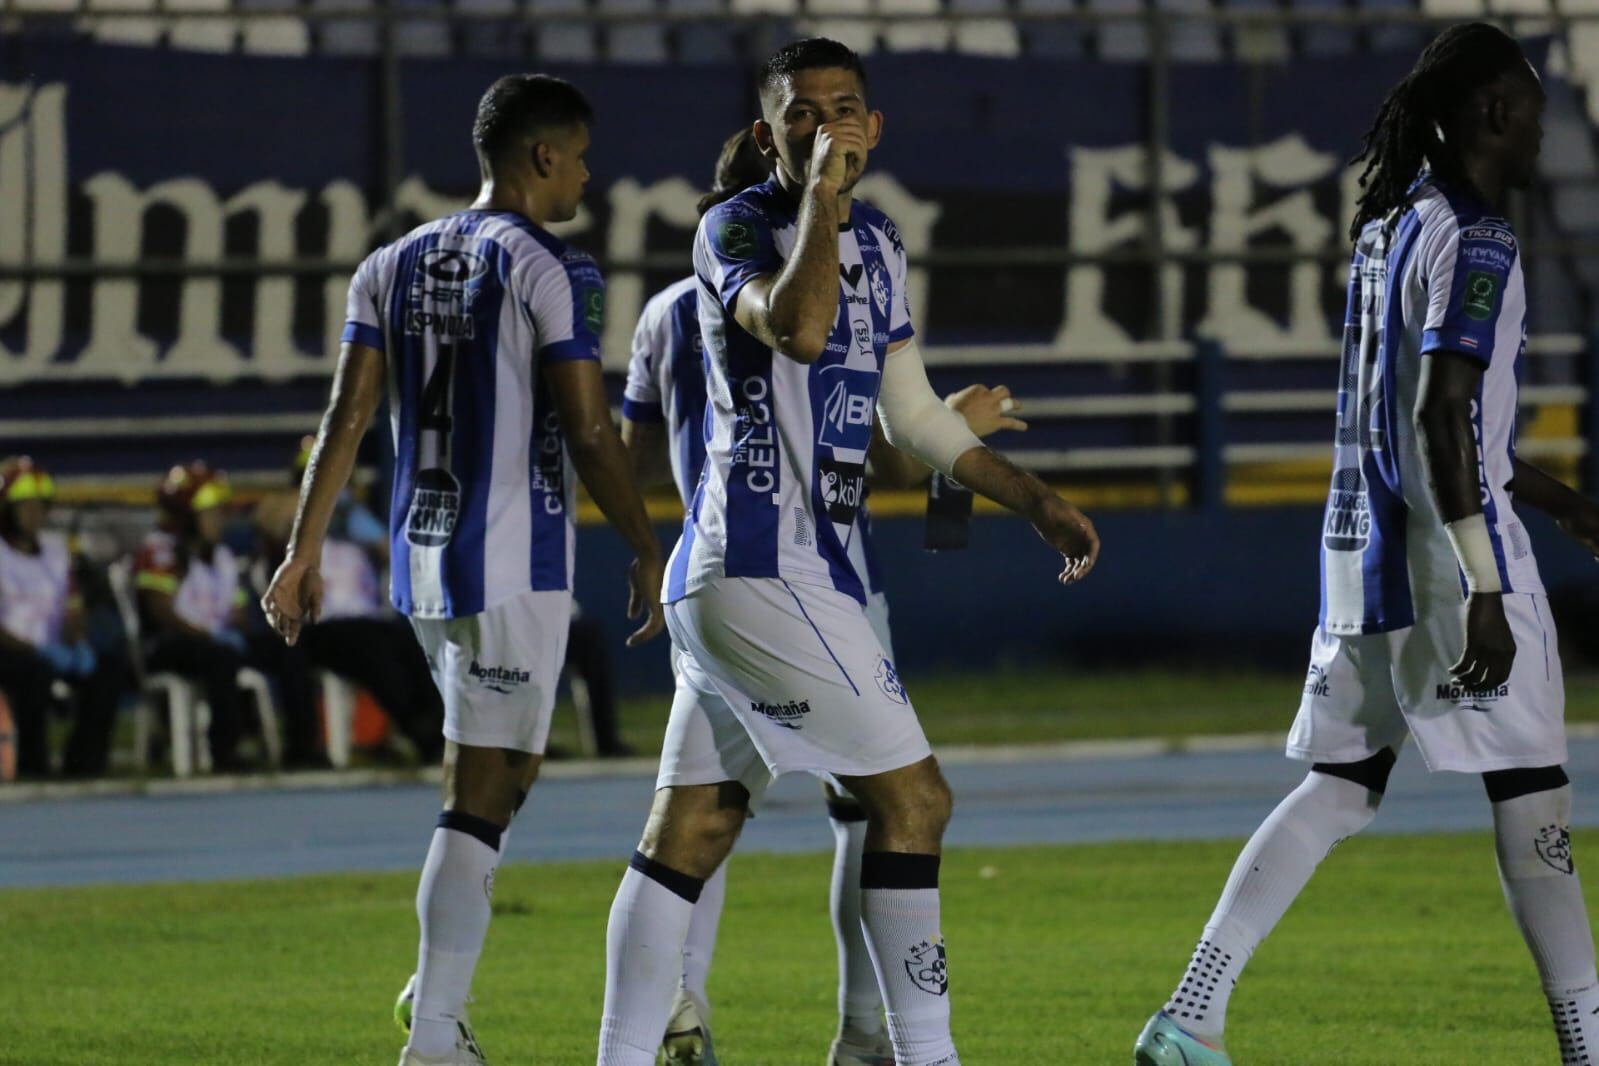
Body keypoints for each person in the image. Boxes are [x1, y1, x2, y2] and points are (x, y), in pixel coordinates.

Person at [597, 38, 1097, 1066]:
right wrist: (819, 199)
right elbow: (801, 329)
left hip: (784, 569)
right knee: (913, 799)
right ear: (767, 130)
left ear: (876, 125)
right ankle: (917, 1053)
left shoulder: (881, 242)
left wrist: (1031, 497)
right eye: (804, 112)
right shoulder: (734, 227)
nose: (829, 126)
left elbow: (909, 411)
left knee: (691, 831)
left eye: (847, 108)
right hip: (755, 564)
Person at [1133, 24, 1599, 1066]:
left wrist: (1557, 496)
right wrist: (1485, 580)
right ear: (1492, 116)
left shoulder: (1391, 226)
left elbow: (1435, 420)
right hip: (1450, 562)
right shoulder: (1477, 238)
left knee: (1341, 787)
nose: (1539, 135)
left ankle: (1191, 1013)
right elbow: (1443, 419)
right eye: (1530, 113)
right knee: (1534, 797)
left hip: (1361, 555)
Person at [259, 74, 665, 1066]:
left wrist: (302, 551)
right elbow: (588, 426)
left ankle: (436, 997)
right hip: (511, 561)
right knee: (479, 791)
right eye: (576, 156)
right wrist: (649, 545)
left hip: (425, 560)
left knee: (498, 775)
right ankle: (434, 1031)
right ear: (540, 158)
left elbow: (343, 421)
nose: (584, 174)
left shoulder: (388, 264)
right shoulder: (550, 268)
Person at [256, 439, 445, 763]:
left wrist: (353, 520)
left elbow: (391, 553)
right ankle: (418, 729)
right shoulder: (290, 517)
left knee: (416, 645)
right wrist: (317, 505)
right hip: (322, 623)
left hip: (366, 619)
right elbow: (267, 520)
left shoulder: (352, 518)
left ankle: (442, 729)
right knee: (371, 651)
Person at [138, 461, 319, 771]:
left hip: (217, 643)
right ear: (187, 516)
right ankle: (225, 752)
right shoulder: (161, 552)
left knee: (288, 649)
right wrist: (207, 634)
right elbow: (160, 611)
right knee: (219, 658)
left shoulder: (222, 556)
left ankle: (302, 748)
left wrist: (233, 626)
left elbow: (238, 612)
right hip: (173, 644)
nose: (220, 520)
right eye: (211, 513)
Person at [0, 458, 122, 778]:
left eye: (41, 507)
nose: (35, 515)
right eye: (26, 507)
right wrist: (30, 650)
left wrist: (79, 642)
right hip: (11, 650)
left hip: (53, 649)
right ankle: (32, 766)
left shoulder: (56, 551)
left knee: (107, 671)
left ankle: (83, 765)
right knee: (33, 674)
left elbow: (73, 606)